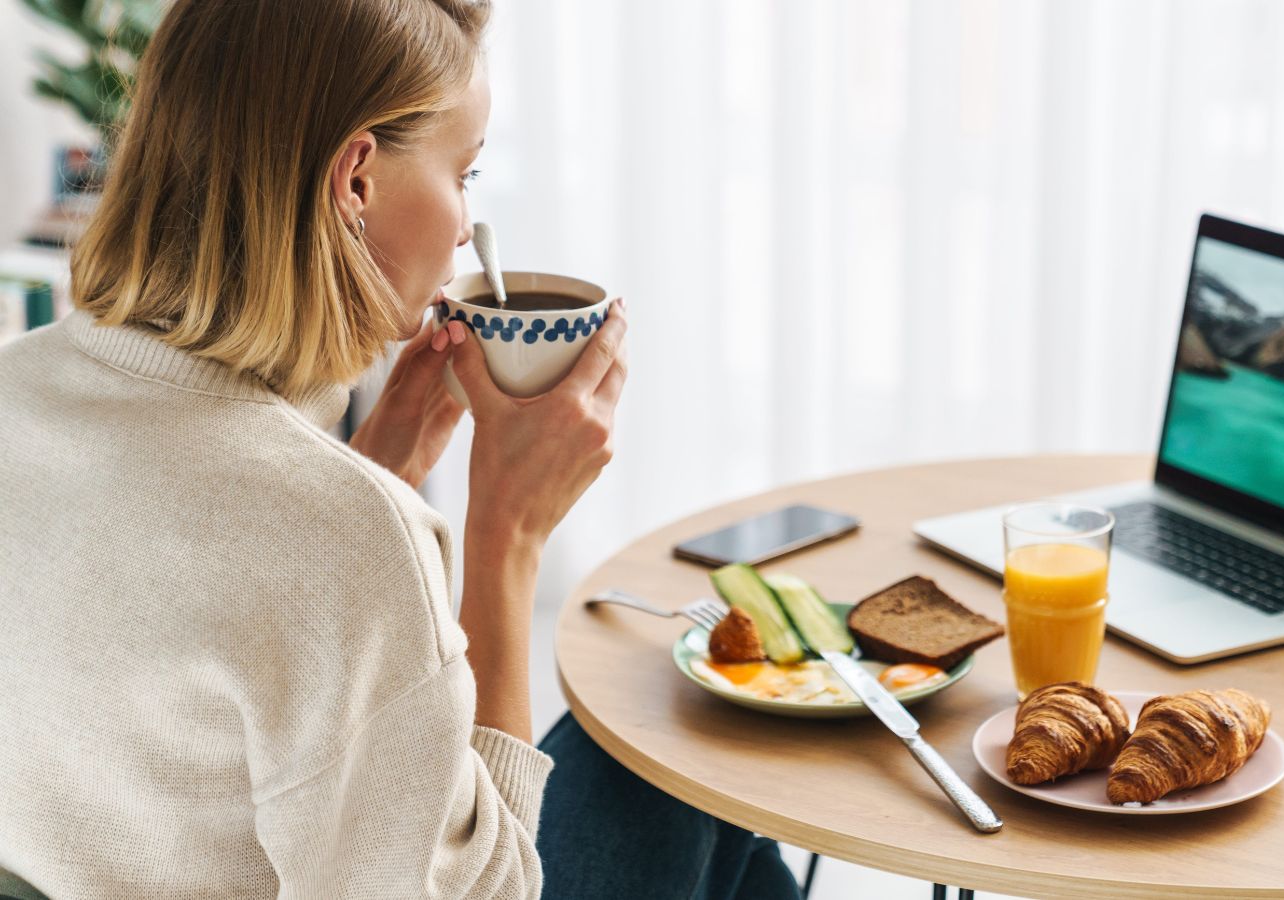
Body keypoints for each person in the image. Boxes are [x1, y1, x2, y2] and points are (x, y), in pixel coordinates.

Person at [0, 1, 800, 897]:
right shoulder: (339, 536)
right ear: (355, 181)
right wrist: (508, 534)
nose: (467, 227)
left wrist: (378, 471)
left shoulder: (13, 387)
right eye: (466, 171)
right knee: (680, 749)